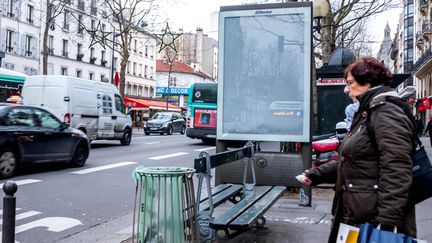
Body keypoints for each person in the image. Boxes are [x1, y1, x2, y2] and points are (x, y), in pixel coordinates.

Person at [299, 56, 416, 242]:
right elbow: (354, 160)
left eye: (351, 83)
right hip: (358, 212)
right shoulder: (368, 111)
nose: (346, 89)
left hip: (372, 219)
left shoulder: (386, 111)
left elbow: (397, 169)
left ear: (368, 82)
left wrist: (386, 224)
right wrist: (317, 174)